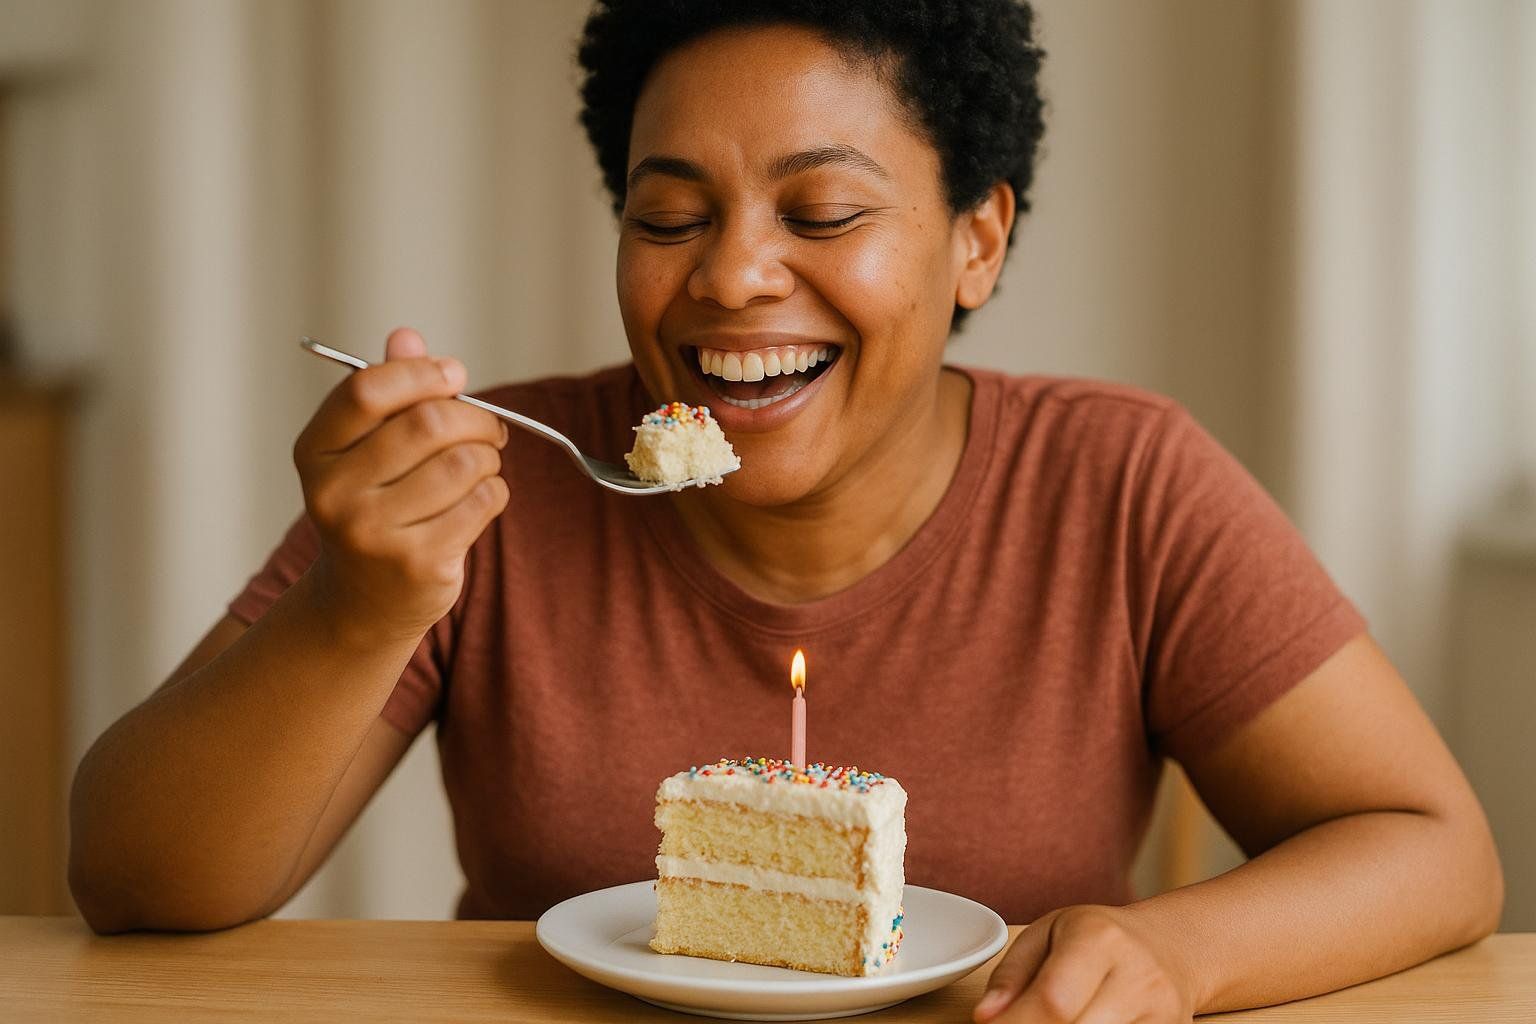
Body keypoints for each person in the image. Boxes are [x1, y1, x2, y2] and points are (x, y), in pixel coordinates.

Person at [70, 2, 1502, 1021]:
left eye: (820, 215)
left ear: (978, 240)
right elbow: (134, 880)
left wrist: (1181, 956)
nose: (732, 278)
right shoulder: (489, 483)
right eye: (669, 216)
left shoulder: (1119, 485)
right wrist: (356, 611)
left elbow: (1434, 848)